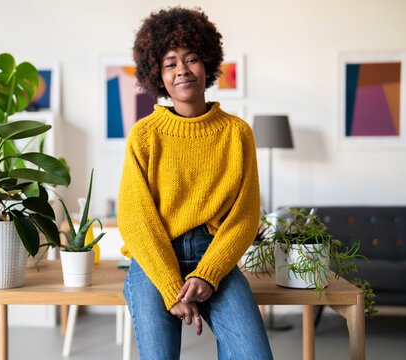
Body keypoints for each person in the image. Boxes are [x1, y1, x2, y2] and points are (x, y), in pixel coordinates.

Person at [117, 7, 273, 360]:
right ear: (157, 74)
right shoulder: (144, 135)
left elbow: (245, 217)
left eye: (191, 59)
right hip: (156, 257)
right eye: (170, 63)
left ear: (208, 65)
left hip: (213, 254)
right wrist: (172, 285)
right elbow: (135, 219)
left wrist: (209, 274)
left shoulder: (237, 133)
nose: (182, 70)